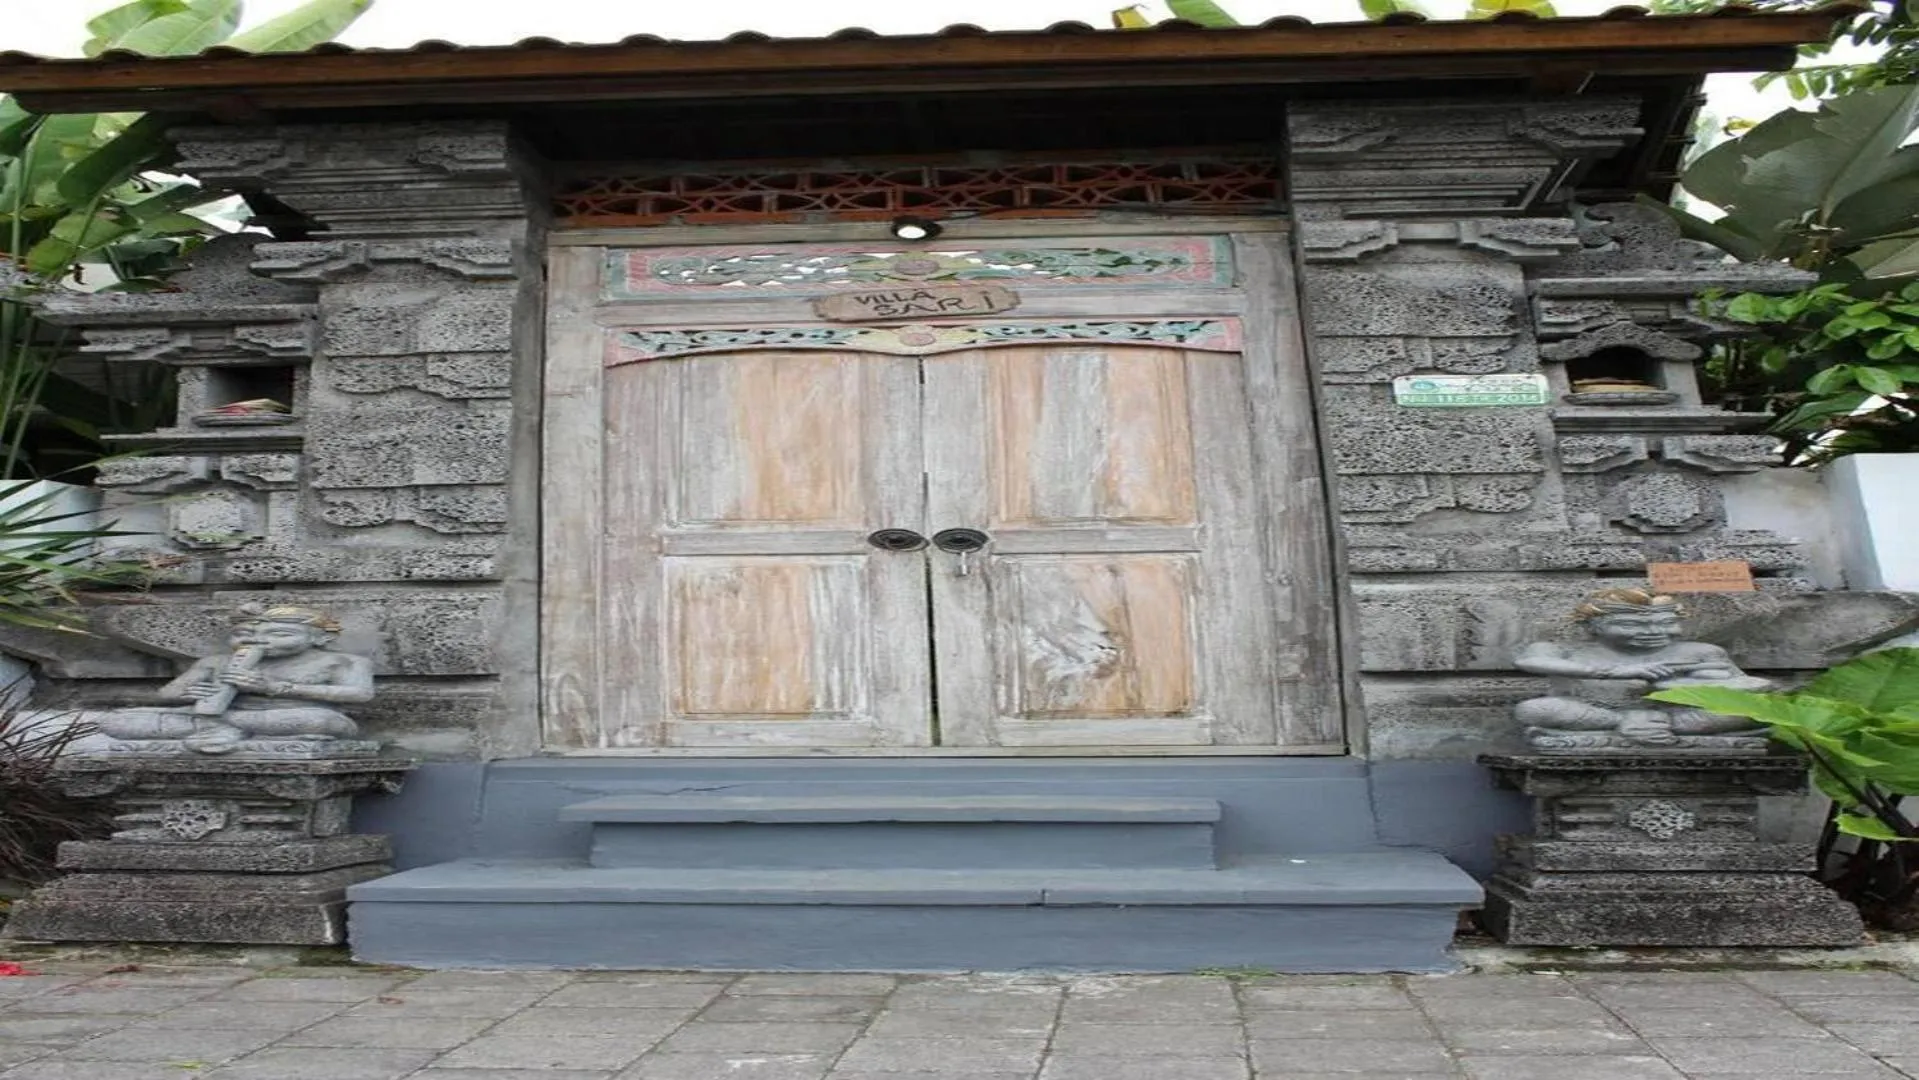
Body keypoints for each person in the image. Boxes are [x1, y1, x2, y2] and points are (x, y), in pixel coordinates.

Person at [96, 604, 373, 754]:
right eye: (247, 635)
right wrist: (191, 693)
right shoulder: (215, 662)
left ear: (322, 637)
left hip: (289, 715)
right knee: (117, 721)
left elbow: (360, 695)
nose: (260, 641)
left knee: (321, 722)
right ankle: (225, 728)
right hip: (211, 716)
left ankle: (224, 729)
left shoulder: (343, 661)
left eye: (278, 634)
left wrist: (276, 688)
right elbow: (165, 695)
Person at [1512, 589, 1769, 748]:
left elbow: (1756, 687)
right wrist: (1614, 672)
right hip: (1598, 713)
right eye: (1630, 625)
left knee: (1752, 711)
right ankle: (1624, 722)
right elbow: (1528, 662)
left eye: (1665, 623)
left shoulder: (1700, 651)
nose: (1652, 633)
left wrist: (1682, 686)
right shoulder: (1567, 649)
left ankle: (1656, 725)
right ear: (1592, 627)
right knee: (1533, 709)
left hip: (1679, 717)